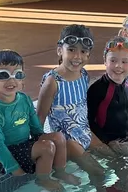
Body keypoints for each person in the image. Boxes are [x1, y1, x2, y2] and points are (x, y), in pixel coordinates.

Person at [0, 50, 80, 192]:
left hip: (23, 146)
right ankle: (43, 180)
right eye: (3, 75)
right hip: (4, 158)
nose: (11, 80)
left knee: (58, 136)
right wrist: (15, 170)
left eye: (18, 75)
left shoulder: (24, 99)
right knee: (47, 147)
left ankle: (60, 171)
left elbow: (36, 129)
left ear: (22, 80)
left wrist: (46, 141)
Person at [36, 25, 105, 178]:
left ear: (88, 55)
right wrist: (39, 149)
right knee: (99, 173)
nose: (77, 57)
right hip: (68, 142)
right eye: (71, 50)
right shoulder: (52, 81)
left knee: (114, 157)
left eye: (83, 51)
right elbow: (39, 118)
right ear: (60, 50)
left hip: (85, 133)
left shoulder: (83, 74)